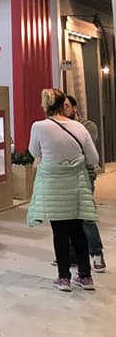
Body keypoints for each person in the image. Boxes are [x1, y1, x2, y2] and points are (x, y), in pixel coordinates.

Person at [28, 88, 99, 292]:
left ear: (45, 105)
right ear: (63, 105)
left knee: (59, 232)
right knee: (77, 230)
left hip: (53, 186)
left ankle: (64, 278)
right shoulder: (79, 128)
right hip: (75, 185)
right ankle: (85, 276)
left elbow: (34, 151)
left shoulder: (39, 127)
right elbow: (93, 158)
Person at [63, 95, 105, 272]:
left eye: (66, 106)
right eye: (61, 106)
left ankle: (96, 253)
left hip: (85, 174)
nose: (63, 109)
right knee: (68, 216)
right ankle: (72, 255)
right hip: (65, 175)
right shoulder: (58, 126)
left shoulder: (88, 126)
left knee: (86, 215)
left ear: (75, 108)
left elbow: (84, 150)